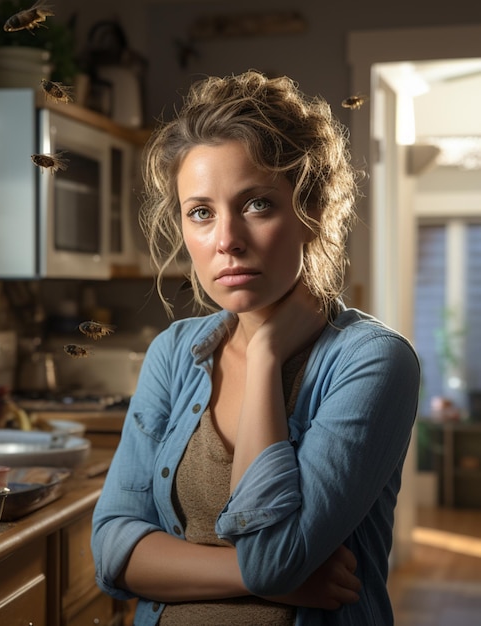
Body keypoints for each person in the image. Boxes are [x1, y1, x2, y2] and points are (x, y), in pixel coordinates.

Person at [91, 70, 420, 625]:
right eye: (201, 212)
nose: (226, 240)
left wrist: (265, 354)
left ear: (310, 212)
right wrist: (264, 578)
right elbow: (112, 550)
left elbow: (273, 555)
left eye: (257, 204)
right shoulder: (174, 353)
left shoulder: (372, 361)